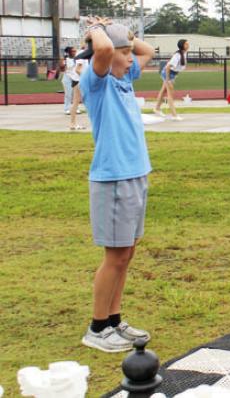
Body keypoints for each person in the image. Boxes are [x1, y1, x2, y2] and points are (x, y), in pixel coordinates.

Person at [78, 18, 155, 352]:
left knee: (127, 252)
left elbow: (147, 50)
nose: (130, 58)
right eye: (124, 54)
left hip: (137, 173)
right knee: (115, 255)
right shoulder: (97, 82)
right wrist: (96, 29)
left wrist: (124, 34)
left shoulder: (125, 80)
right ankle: (97, 328)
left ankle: (113, 320)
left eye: (127, 53)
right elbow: (107, 49)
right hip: (113, 177)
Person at [153, 39, 189, 120]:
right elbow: (168, 67)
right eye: (186, 44)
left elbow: (178, 68)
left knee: (163, 91)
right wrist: (168, 79)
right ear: (182, 45)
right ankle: (174, 115)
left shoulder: (184, 54)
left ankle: (157, 109)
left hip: (172, 74)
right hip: (167, 73)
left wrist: (173, 77)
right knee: (170, 95)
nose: (188, 45)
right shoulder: (178, 55)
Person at [67, 48, 86, 130]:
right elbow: (78, 69)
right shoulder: (82, 53)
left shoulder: (85, 52)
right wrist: (86, 78)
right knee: (76, 102)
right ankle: (72, 123)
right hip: (79, 80)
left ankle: (72, 123)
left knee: (76, 102)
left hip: (79, 79)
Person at [61, 47, 77, 115]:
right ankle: (67, 108)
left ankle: (75, 108)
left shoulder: (77, 59)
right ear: (69, 52)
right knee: (68, 94)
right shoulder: (65, 59)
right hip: (67, 78)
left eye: (75, 51)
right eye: (73, 51)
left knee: (75, 94)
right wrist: (63, 63)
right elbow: (62, 69)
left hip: (75, 77)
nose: (74, 52)